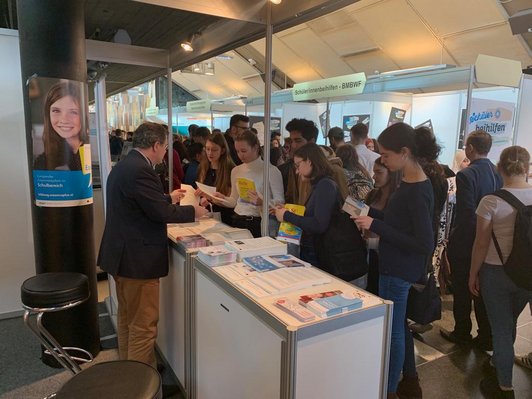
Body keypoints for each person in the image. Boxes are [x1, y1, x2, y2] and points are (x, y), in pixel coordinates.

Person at [97, 122, 207, 369]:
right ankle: (140, 385)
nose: (166, 152)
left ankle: (129, 373)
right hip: (137, 260)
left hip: (121, 256)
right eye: (165, 147)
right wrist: (194, 211)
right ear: (156, 145)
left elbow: (138, 203)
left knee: (127, 320)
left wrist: (168, 198)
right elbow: (157, 212)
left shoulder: (126, 165)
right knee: (144, 326)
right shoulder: (141, 170)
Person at [353, 122, 437, 399]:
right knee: (398, 326)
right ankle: (408, 381)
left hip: (398, 269)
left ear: (404, 152)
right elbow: (402, 223)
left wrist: (378, 225)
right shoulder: (409, 182)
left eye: (386, 155)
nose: (383, 160)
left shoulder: (417, 188)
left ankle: (388, 389)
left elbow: (424, 242)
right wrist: (375, 219)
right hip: (395, 265)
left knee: (394, 332)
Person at [468, 146, 532, 399]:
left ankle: (504, 386)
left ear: (499, 168)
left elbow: (480, 243)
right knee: (511, 322)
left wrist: (473, 274)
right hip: (529, 273)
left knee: (502, 329)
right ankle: (500, 364)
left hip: (496, 273)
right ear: (526, 168)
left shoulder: (491, 201)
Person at [441, 130, 502, 351]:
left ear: (470, 148)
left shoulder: (466, 175)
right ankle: (485, 336)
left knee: (462, 288)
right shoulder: (498, 172)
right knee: (483, 292)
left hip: (468, 243)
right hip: (492, 242)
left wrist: (454, 240)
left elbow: (467, 214)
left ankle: (462, 332)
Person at [274, 143, 342, 266]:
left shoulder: (325, 185)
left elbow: (318, 224)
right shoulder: (319, 184)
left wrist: (287, 216)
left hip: (321, 252)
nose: (296, 171)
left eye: (298, 165)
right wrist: (288, 211)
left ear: (309, 161)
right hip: (315, 249)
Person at [214, 130, 284, 237]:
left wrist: (262, 202)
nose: (240, 155)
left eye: (243, 151)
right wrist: (221, 199)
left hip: (258, 222)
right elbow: (234, 200)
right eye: (237, 151)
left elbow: (280, 202)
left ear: (256, 148)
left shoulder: (271, 170)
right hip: (237, 219)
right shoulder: (236, 170)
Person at [363, 158, 402, 295]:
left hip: (386, 256)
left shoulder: (398, 199)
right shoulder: (372, 194)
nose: (374, 176)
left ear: (391, 173)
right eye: (374, 172)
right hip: (368, 254)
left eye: (378, 172)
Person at [33, 81, 89, 171]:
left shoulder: (90, 152)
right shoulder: (43, 162)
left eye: (73, 112)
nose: (64, 120)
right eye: (56, 111)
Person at [196, 132, 235, 225]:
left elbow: (231, 198)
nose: (210, 153)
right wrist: (202, 198)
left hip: (226, 217)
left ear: (222, 150)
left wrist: (211, 198)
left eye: (214, 150)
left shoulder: (231, 169)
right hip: (207, 215)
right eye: (207, 149)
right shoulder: (203, 167)